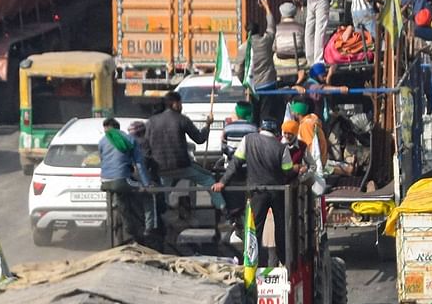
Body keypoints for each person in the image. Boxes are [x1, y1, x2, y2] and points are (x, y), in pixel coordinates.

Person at [215, 118, 294, 267]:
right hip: (277, 192)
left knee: (254, 229)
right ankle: (285, 262)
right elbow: (287, 171)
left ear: (260, 129)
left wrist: (223, 182)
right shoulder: (281, 148)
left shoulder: (248, 140)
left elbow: (235, 163)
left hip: (256, 193)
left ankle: (253, 263)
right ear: (276, 133)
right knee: (280, 228)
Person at [145, 91, 214, 227]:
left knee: (162, 194)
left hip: (160, 168)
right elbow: (199, 139)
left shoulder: (151, 122)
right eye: (181, 103)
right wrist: (207, 125)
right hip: (182, 166)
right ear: (175, 104)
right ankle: (223, 209)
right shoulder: (182, 119)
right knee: (209, 180)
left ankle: (158, 223)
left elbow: (147, 146)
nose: (181, 106)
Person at [99, 117, 155, 245]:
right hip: (122, 180)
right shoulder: (129, 139)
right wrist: (147, 184)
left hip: (106, 181)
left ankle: (128, 227)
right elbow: (139, 164)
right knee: (147, 193)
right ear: (118, 128)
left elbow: (103, 162)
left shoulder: (102, 141)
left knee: (121, 198)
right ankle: (148, 229)